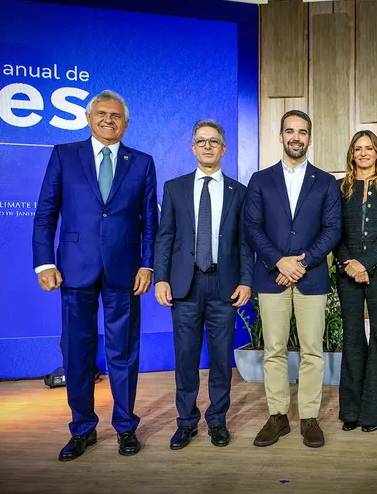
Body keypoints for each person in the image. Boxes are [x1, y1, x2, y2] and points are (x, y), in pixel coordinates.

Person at [32, 90, 158, 460]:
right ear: (88, 119)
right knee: (76, 352)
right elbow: (45, 214)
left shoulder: (142, 162)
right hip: (72, 270)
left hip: (124, 272)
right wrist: (44, 263)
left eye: (116, 115)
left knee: (124, 354)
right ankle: (82, 429)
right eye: (101, 114)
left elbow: (150, 221)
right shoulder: (64, 155)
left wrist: (147, 264)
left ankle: (125, 428)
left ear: (126, 123)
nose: (108, 120)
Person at [153, 119, 254, 450]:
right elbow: (164, 236)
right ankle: (185, 423)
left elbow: (244, 243)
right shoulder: (175, 188)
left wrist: (246, 281)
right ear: (193, 148)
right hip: (185, 286)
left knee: (222, 360)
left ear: (223, 149)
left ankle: (217, 421)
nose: (207, 146)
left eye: (213, 142)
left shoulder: (239, 192)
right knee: (185, 357)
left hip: (224, 287)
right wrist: (161, 277)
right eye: (201, 141)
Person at [245, 110, 341, 448]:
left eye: (302, 132)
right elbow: (252, 228)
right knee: (274, 349)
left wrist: (303, 262)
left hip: (311, 277)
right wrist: (279, 261)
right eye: (290, 131)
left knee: (313, 350)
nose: (296, 137)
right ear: (281, 136)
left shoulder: (327, 182)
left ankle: (310, 417)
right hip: (272, 277)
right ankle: (277, 416)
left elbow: (332, 229)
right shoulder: (260, 179)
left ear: (310, 138)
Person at [334, 130, 377, 433]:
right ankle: (351, 410)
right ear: (352, 154)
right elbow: (333, 230)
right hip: (347, 271)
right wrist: (350, 264)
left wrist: (366, 263)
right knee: (351, 336)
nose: (363, 153)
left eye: (369, 148)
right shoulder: (339, 188)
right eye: (358, 148)